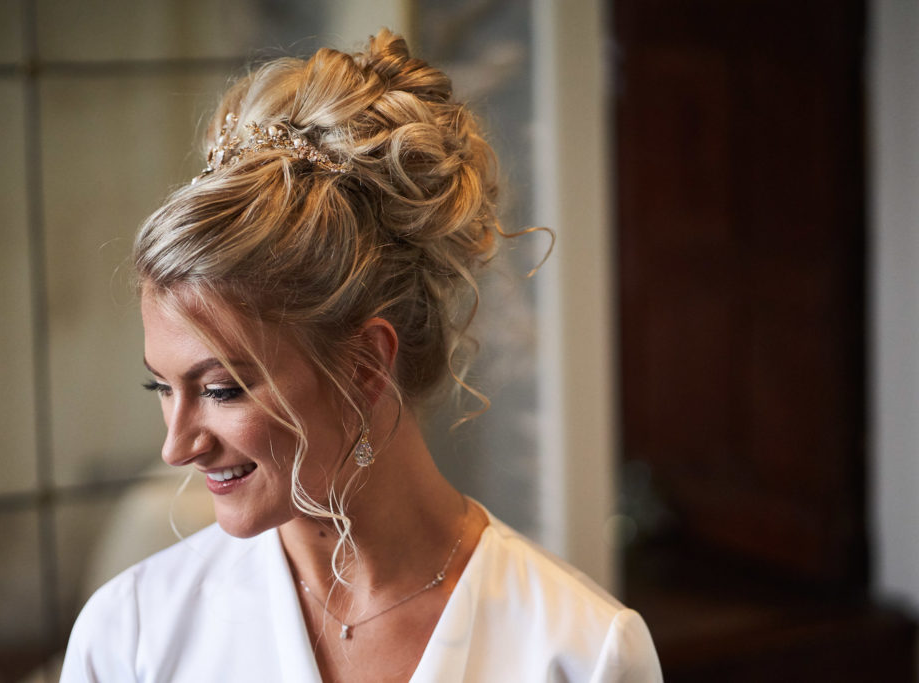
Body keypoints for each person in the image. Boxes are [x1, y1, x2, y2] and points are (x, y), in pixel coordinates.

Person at [61, 29, 662, 682]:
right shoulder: (132, 634)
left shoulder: (580, 650)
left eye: (221, 389)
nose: (177, 448)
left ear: (366, 364)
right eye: (162, 389)